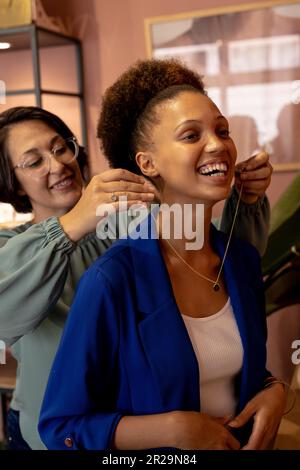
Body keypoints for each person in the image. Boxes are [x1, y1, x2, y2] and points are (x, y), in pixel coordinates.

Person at [0, 92, 271, 450]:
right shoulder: (14, 249)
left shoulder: (130, 222)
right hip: (58, 434)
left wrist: (245, 202)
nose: (58, 164)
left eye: (61, 147)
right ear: (14, 183)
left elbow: (223, 267)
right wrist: (72, 224)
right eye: (33, 162)